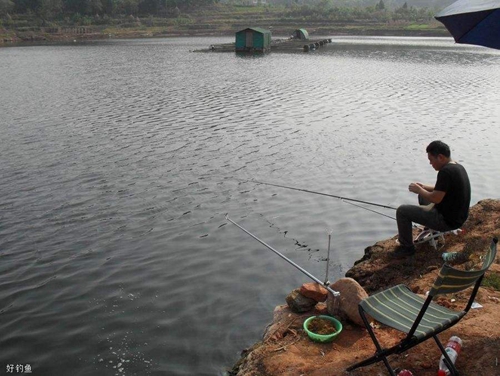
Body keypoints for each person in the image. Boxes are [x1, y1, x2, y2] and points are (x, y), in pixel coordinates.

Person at [393, 140, 471, 258]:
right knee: (423, 194)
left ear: (440, 157)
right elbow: (442, 189)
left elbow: (436, 198)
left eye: (431, 160)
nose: (430, 163)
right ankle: (430, 229)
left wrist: (419, 190)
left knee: (402, 211)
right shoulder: (457, 167)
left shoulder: (445, 172)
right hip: (459, 217)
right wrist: (424, 187)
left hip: (447, 221)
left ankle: (407, 248)